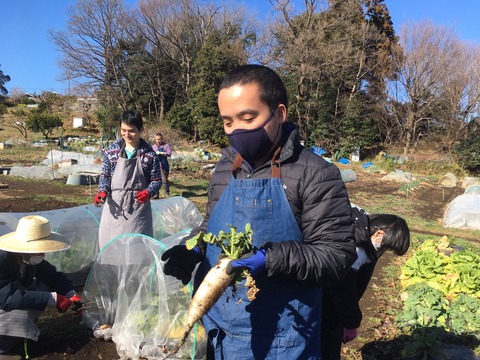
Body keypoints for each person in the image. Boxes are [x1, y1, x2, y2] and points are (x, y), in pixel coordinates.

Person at [161, 64, 356, 359]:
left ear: (279, 113)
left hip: (283, 338)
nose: (237, 130)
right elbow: (211, 225)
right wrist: (194, 248)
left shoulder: (315, 174)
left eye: (248, 118)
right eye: (228, 122)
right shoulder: (225, 169)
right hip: (219, 330)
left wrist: (271, 257)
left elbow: (335, 256)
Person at [321, 204, 410, 360]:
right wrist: (351, 323)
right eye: (386, 248)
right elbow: (343, 290)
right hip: (323, 300)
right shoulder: (356, 248)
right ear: (379, 233)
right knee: (325, 343)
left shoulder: (365, 225)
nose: (383, 253)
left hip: (326, 296)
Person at [0, 215, 85, 359]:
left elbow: (52, 276)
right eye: (39, 250)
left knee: (43, 286)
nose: (43, 254)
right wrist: (52, 299)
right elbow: (6, 297)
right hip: (3, 298)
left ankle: (14, 336)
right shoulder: (2, 261)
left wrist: (70, 294)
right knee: (21, 316)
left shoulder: (28, 258)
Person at [94, 110, 161, 251]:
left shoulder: (150, 155)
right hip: (115, 207)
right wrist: (102, 192)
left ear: (141, 130)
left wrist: (148, 192)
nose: (126, 135)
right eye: (123, 130)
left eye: (131, 131)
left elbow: (156, 180)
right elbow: (105, 176)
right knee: (111, 246)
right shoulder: (111, 151)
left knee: (136, 247)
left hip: (138, 208)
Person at [151, 132, 172, 198]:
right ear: (155, 139)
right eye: (157, 139)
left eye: (159, 139)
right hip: (155, 166)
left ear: (162, 139)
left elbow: (169, 153)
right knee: (155, 180)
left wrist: (162, 153)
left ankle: (167, 193)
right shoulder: (153, 147)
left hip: (164, 165)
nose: (158, 141)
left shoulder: (166, 145)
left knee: (164, 180)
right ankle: (156, 194)